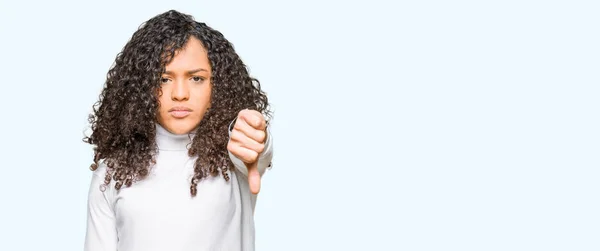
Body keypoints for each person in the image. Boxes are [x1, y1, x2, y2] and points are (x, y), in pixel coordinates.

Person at [82, 9, 274, 251]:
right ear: (142, 87)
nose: (180, 94)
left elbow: (254, 152)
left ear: (219, 85)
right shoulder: (111, 173)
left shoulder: (234, 158)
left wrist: (256, 140)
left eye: (196, 78)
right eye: (164, 79)